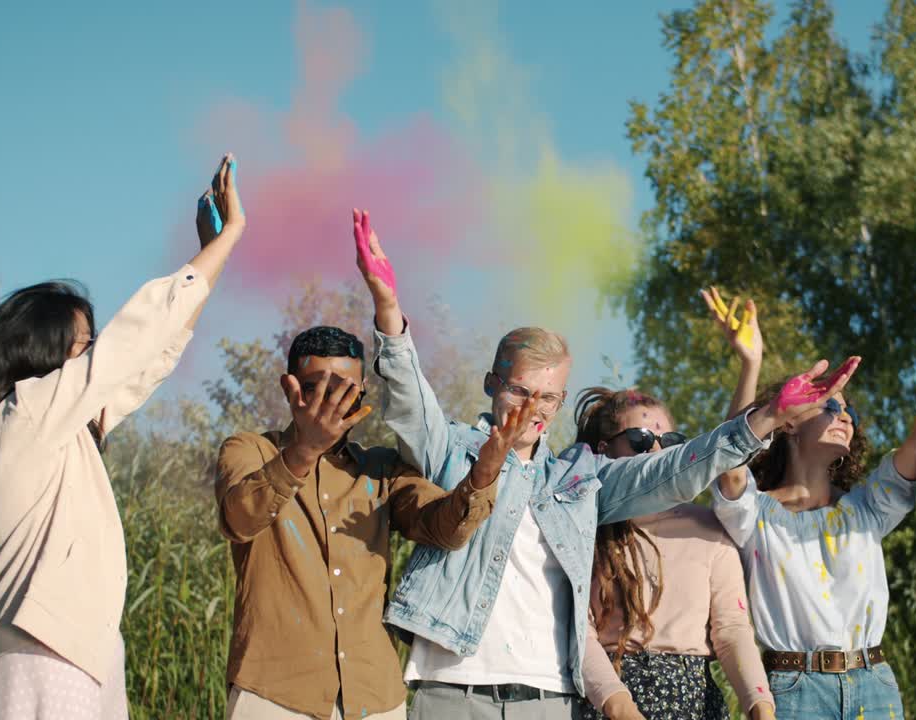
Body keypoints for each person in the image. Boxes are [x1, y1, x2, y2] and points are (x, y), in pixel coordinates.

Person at [351, 210, 858, 719]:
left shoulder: (577, 480)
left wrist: (768, 417)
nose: (533, 409)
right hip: (452, 685)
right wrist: (389, 310)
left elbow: (673, 470)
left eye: (549, 398)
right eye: (520, 391)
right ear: (491, 384)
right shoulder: (452, 451)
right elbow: (409, 402)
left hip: (548, 694)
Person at [0, 154, 247, 719]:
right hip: (49, 660)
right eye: (84, 342)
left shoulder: (57, 432)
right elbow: (130, 346)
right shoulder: (25, 414)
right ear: (38, 349)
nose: (93, 352)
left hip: (79, 657)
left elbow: (150, 359)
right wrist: (230, 235)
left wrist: (211, 257)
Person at [214, 325, 538, 720]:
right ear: (290, 388)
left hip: (374, 697)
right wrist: (304, 451)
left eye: (346, 390)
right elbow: (239, 520)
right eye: (318, 387)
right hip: (274, 694)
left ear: (363, 391)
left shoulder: (381, 468)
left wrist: (485, 472)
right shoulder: (249, 450)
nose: (333, 401)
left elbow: (444, 529)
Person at [708, 288, 916, 719]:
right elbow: (728, 463)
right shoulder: (754, 513)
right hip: (794, 690)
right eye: (830, 405)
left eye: (849, 413)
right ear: (787, 422)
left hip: (875, 685)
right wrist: (751, 364)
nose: (845, 416)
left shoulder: (866, 508)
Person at [573, 383, 774, 720]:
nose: (656, 450)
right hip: (610, 699)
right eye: (639, 439)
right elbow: (579, 633)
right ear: (603, 449)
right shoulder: (581, 527)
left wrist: (760, 705)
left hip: (696, 701)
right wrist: (618, 706)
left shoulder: (709, 527)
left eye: (669, 442)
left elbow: (731, 629)